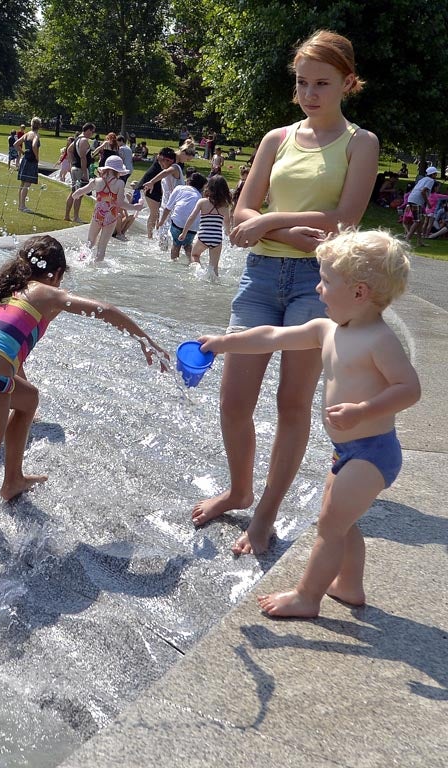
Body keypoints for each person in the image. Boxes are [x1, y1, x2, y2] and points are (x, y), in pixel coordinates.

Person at [191, 30, 379, 556]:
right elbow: (240, 219)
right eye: (302, 83)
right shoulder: (276, 138)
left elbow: (345, 221)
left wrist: (274, 218)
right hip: (259, 277)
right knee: (233, 401)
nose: (310, 93)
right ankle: (240, 489)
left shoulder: (361, 143)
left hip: (319, 285)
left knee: (291, 403)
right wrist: (282, 231)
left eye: (322, 83)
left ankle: (266, 513)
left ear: (347, 82)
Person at [0, 235, 169, 593]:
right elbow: (103, 309)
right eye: (62, 278)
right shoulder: (43, 291)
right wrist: (144, 339)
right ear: (56, 273)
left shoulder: (3, 292)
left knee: (29, 399)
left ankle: (12, 478)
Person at [199, 229, 419, 617]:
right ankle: (349, 585)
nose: (318, 289)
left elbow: (409, 389)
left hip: (373, 452)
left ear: (359, 293)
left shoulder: (379, 340)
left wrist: (363, 410)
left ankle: (307, 596)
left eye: (326, 281)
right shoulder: (326, 330)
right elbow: (272, 336)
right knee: (343, 521)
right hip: (348, 450)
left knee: (329, 525)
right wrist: (225, 342)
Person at [70, 156, 144, 261]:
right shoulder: (120, 183)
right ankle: (96, 266)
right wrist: (134, 207)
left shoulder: (97, 181)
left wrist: (75, 194)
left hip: (98, 214)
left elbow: (82, 191)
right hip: (111, 216)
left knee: (90, 241)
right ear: (118, 171)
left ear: (106, 169)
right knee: (102, 245)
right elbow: (119, 203)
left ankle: (80, 260)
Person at [179, 174, 233, 279]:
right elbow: (227, 223)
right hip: (217, 238)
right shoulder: (225, 206)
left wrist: (184, 232)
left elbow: (191, 218)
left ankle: (199, 271)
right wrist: (229, 234)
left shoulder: (202, 202)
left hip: (203, 236)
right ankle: (214, 284)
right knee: (214, 267)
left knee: (195, 255)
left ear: (209, 187)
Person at [159, 172, 206, 262]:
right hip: (193, 225)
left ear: (188, 181)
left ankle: (174, 263)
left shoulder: (179, 188)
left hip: (178, 222)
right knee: (188, 246)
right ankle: (192, 263)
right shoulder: (199, 196)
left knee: (176, 244)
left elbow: (168, 207)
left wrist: (161, 221)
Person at [134, 147, 178, 239]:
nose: (160, 162)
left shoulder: (174, 166)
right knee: (155, 213)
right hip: (151, 187)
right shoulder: (166, 165)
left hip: (157, 187)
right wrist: (152, 182)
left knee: (159, 214)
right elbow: (164, 174)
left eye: (161, 160)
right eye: (159, 159)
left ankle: (157, 233)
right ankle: (150, 236)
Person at [65, 123, 96, 223]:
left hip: (75, 167)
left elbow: (69, 150)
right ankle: (76, 217)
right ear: (88, 130)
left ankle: (67, 215)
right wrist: (85, 174)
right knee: (79, 194)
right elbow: (83, 158)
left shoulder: (77, 139)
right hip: (80, 169)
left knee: (73, 192)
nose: (92, 134)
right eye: (92, 131)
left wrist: (71, 163)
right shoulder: (83, 140)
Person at [404, 166, 438, 245]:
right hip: (417, 201)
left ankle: (419, 241)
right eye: (435, 174)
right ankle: (407, 238)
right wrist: (428, 203)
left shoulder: (423, 179)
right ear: (432, 174)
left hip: (412, 199)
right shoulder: (431, 180)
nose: (436, 175)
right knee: (418, 221)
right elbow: (423, 192)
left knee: (420, 221)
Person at [17, 117, 41, 213]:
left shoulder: (27, 134)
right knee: (27, 184)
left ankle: (20, 205)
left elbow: (16, 144)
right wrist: (37, 156)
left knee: (22, 184)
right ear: (39, 125)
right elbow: (34, 145)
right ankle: (22, 206)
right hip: (31, 161)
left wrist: (23, 152)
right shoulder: (36, 135)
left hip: (25, 159)